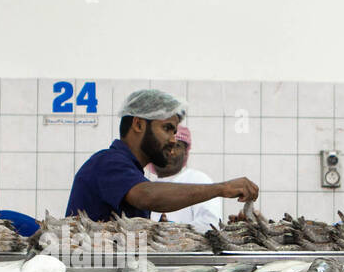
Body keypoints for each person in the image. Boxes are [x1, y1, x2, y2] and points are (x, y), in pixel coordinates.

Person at [66, 89, 258, 222]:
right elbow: (147, 196)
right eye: (167, 128)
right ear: (139, 125)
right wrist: (221, 188)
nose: (173, 140)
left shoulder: (129, 170)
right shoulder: (108, 162)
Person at [145, 126, 223, 230]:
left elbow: (211, 224)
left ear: (185, 152)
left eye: (176, 146)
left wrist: (175, 230)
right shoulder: (145, 186)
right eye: (165, 146)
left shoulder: (198, 180)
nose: (171, 152)